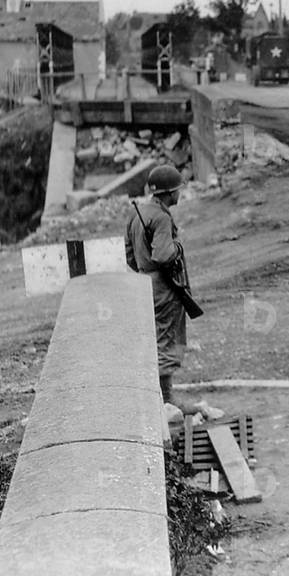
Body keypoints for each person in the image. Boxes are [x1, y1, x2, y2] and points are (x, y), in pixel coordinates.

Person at [125, 164, 190, 409]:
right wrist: (178, 248)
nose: (180, 194)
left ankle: (156, 395)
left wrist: (144, 270)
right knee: (166, 337)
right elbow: (163, 254)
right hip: (163, 285)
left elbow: (129, 254)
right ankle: (166, 399)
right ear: (169, 192)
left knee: (153, 338)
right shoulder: (161, 217)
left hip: (143, 281)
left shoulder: (136, 212)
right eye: (177, 189)